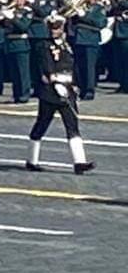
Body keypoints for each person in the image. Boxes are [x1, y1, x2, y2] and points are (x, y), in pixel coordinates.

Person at [25, 14, 95, 174]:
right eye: (53, 28)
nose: (55, 31)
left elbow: (73, 66)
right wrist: (55, 83)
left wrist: (75, 85)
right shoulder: (43, 45)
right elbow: (46, 67)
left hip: (67, 89)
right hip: (51, 91)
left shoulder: (67, 45)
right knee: (41, 124)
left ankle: (79, 162)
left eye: (58, 27)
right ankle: (32, 160)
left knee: (72, 125)